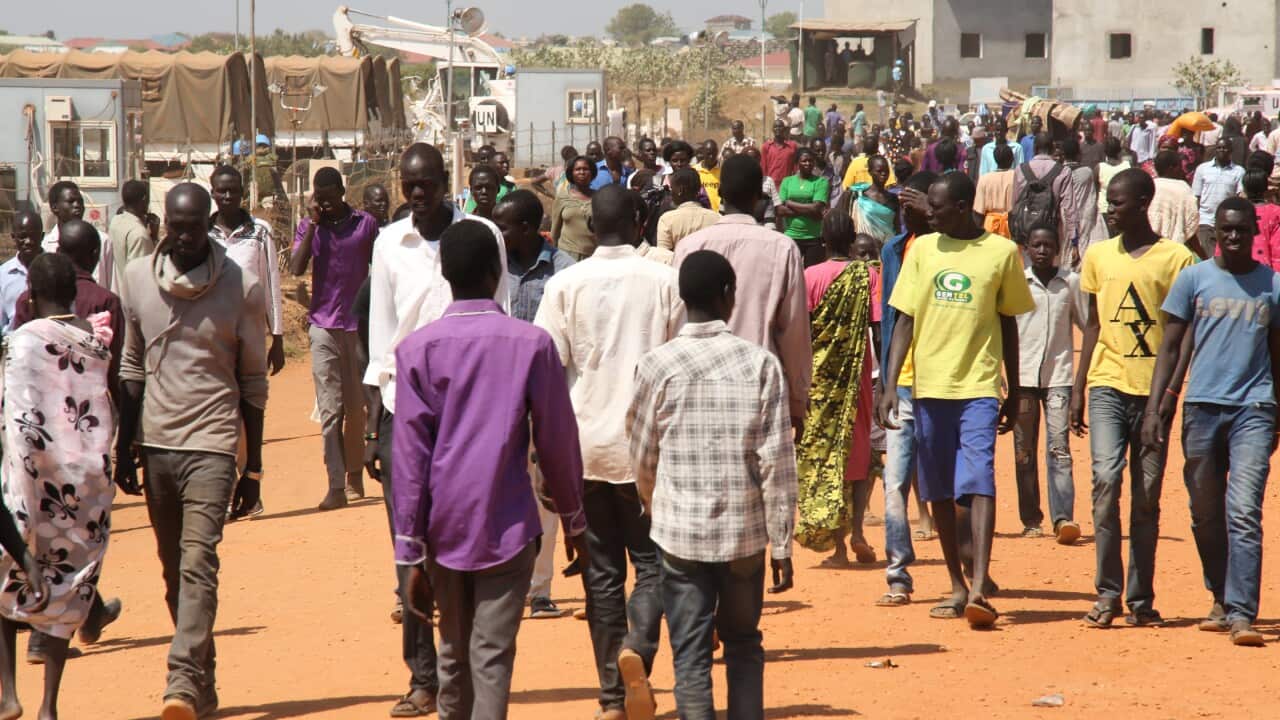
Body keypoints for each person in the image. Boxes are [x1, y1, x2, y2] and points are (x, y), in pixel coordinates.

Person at [393, 219, 589, 718]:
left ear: (444, 273)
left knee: (454, 656)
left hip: (442, 529)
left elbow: (410, 460)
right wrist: (575, 520)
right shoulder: (531, 344)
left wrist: (409, 550)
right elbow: (557, 443)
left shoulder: (416, 350)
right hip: (508, 524)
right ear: (495, 270)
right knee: (492, 657)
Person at [364, 143, 510, 717]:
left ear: (445, 181)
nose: (417, 194)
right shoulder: (389, 245)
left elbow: (498, 321)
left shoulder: (480, 238)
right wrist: (377, 424)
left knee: (472, 539)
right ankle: (422, 676)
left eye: (427, 184)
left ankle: (469, 667)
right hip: (407, 411)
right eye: (409, 185)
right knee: (409, 544)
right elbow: (381, 339)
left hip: (471, 413)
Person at [115, 183, 267, 719]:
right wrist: (123, 446)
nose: (185, 236)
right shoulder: (135, 281)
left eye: (194, 226)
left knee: (199, 565)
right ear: (163, 224)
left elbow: (253, 381)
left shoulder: (241, 286)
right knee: (173, 571)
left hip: (214, 444)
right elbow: (131, 367)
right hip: (156, 444)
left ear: (209, 223)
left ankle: (179, 678)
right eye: (176, 226)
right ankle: (203, 684)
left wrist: (254, 470)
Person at [627, 249, 797, 720]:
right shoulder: (760, 364)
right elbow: (777, 462)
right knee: (744, 644)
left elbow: (642, 454)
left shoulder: (657, 365)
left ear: (683, 299)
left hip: (679, 534)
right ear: (727, 297)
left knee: (690, 654)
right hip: (744, 535)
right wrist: (781, 543)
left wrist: (655, 506)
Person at [534, 185, 683, 720]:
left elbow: (547, 374)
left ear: (591, 228)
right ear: (640, 224)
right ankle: (637, 648)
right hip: (650, 451)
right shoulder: (667, 283)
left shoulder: (564, 285)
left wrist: (542, 456)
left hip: (584, 447)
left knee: (601, 576)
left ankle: (611, 699)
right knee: (652, 566)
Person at [878, 172, 1035, 629]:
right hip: (928, 388)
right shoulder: (922, 250)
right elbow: (903, 319)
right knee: (939, 490)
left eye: (939, 208)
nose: (932, 215)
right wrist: (890, 385)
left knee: (979, 479)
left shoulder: (1001, 253)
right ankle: (956, 585)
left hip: (979, 388)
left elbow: (1007, 323)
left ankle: (981, 586)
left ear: (964, 205)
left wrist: (1016, 387)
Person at [1142, 197, 1280, 648]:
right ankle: (1220, 596)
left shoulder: (1271, 285)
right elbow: (1170, 346)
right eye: (1227, 229)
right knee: (1205, 513)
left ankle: (1242, 613)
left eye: (1243, 229)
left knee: (1243, 511)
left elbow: (1278, 355)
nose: (1235, 236)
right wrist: (1158, 403)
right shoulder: (1193, 279)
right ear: (1214, 233)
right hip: (1201, 407)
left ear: (1255, 233)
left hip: (1254, 410)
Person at [1071, 168, 1198, 629]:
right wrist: (1078, 387)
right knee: (1105, 482)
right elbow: (1091, 325)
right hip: (1106, 384)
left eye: (1118, 202)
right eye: (1109, 201)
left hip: (1152, 395)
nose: (1110, 209)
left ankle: (1140, 599)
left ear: (1144, 202)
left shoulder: (1178, 260)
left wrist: (1168, 395)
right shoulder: (1098, 256)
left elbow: (1184, 339)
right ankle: (1107, 593)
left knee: (1145, 499)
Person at [0, 253, 99, 720]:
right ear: (74, 294)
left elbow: (13, 417)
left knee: (5, 576)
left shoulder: (18, 343)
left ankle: (7, 692)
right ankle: (49, 706)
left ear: (30, 296)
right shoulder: (94, 342)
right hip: (82, 486)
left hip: (27, 480)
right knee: (70, 581)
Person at [675, 155, 812, 451]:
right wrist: (798, 401)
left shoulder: (689, 246)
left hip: (698, 385)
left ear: (720, 194)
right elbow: (794, 331)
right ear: (759, 197)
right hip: (759, 388)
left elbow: (677, 320)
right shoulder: (783, 248)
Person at [495, 190, 576, 621]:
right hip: (500, 397)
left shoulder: (563, 271)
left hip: (546, 395)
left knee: (545, 497)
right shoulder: (493, 270)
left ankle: (540, 588)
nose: (496, 232)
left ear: (526, 229)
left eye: (502, 225)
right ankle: (505, 583)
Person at [289, 167, 376, 509]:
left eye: (329, 197)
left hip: (356, 328)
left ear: (341, 191)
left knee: (356, 409)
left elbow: (379, 266)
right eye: (318, 198)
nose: (323, 203)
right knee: (330, 411)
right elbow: (296, 267)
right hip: (323, 325)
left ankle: (355, 477)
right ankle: (335, 485)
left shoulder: (365, 224)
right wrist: (312, 225)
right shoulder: (308, 227)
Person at [798, 213, 880, 567]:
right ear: (851, 241)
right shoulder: (868, 275)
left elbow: (800, 332)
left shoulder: (809, 277)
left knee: (823, 453)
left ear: (824, 240)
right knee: (858, 452)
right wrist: (885, 377)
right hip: (858, 376)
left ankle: (839, 547)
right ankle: (858, 529)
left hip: (819, 379)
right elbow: (878, 330)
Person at [875, 171, 940, 607]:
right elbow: (889, 318)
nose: (904, 208)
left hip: (944, 382)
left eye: (912, 201)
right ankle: (898, 572)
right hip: (901, 381)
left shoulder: (951, 248)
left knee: (952, 483)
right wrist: (885, 378)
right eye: (901, 202)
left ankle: (972, 569)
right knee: (895, 481)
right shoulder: (893, 250)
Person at [1014, 225, 1084, 543]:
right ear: (1026, 248)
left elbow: (1087, 324)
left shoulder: (1069, 283)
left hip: (1059, 377)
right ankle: (1031, 518)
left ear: (1057, 249)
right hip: (1023, 379)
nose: (1042, 250)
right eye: (1036, 244)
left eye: (1048, 245)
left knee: (1059, 449)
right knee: (1024, 451)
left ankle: (1063, 517)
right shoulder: (1018, 283)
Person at [208, 165, 285, 378]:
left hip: (249, 333)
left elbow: (271, 285)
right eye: (221, 190)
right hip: (212, 334)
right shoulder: (203, 233)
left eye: (233, 190)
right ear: (212, 193)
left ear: (242, 193)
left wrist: (278, 338)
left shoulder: (260, 231)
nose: (227, 195)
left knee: (249, 401)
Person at [1012, 133, 1073, 248]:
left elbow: (1015, 203)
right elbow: (1069, 208)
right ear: (1052, 148)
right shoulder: (1063, 171)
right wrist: (1074, 239)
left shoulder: (1020, 169)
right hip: (1052, 233)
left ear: (1034, 148)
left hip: (1026, 233)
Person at [1192, 137, 1247, 259]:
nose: (1222, 150)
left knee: (1224, 256)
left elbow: (1241, 196)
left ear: (1231, 151)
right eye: (1219, 148)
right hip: (1205, 220)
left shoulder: (1239, 172)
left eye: (1225, 148)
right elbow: (1196, 196)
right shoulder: (1202, 169)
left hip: (1227, 222)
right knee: (1209, 256)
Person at [777, 148, 831, 267]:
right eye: (804, 161)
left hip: (814, 237)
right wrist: (809, 210)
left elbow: (816, 208)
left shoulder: (821, 182)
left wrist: (790, 203)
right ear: (797, 163)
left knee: (812, 276)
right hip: (791, 236)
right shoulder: (787, 181)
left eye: (810, 161)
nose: (808, 163)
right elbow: (780, 210)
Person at [108, 179, 158, 292]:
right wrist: (153, 238)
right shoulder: (139, 234)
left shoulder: (116, 221)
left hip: (116, 293)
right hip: (132, 301)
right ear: (144, 199)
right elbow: (140, 278)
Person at [1147, 149, 1200, 248]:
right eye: (1180, 166)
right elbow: (1189, 222)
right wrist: (1203, 256)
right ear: (1172, 168)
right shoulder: (1183, 188)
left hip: (1147, 246)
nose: (1182, 170)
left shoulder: (1149, 186)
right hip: (1175, 250)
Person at [657, 169, 720, 251]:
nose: (670, 193)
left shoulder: (666, 220)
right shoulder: (717, 218)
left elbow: (663, 255)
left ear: (680, 190)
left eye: (672, 189)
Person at [1059, 138, 1099, 268]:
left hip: (1064, 219)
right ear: (1078, 154)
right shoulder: (1087, 172)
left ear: (1063, 154)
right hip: (1083, 219)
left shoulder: (1058, 173)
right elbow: (1092, 199)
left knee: (1064, 255)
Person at [1, 211, 42, 333]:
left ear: (42, 236)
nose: (28, 241)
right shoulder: (3, 274)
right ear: (13, 237)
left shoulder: (54, 270)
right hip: (13, 344)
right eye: (23, 236)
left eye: (33, 236)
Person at [552, 156, 597, 261]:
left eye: (585, 169)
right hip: (567, 255)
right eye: (577, 169)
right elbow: (555, 231)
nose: (582, 172)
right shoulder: (562, 196)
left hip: (592, 256)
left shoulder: (599, 197)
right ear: (571, 173)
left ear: (592, 172)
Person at [846, 155, 898, 245]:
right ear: (870, 172)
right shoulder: (859, 196)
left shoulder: (893, 199)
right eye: (879, 171)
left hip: (888, 247)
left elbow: (897, 227)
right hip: (864, 247)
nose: (883, 174)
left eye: (886, 171)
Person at [1239, 169, 1280, 271]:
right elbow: (1277, 248)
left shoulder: (1236, 212)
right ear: (1266, 188)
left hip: (1238, 269)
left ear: (1245, 188)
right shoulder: (1275, 212)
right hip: (1266, 272)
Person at [975, 144, 1016, 239]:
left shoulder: (984, 179)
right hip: (1012, 226)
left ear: (995, 159)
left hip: (990, 227)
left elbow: (978, 211)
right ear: (1012, 159)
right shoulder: (1018, 177)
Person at [761, 119, 799, 188]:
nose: (778, 129)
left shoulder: (792, 146)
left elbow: (795, 167)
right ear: (773, 129)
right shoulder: (766, 146)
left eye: (780, 126)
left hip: (787, 184)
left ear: (784, 129)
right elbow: (764, 167)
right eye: (775, 127)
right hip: (771, 185)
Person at [694, 140, 722, 212]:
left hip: (720, 214)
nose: (711, 157)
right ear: (703, 153)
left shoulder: (723, 171)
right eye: (708, 154)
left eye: (714, 154)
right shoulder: (694, 171)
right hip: (702, 214)